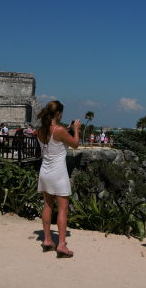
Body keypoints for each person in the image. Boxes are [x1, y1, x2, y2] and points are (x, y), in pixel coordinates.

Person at [36, 100, 80, 258]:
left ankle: (47, 240)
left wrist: (66, 130)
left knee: (47, 205)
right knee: (62, 209)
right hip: (58, 173)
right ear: (58, 113)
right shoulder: (60, 130)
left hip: (45, 172)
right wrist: (76, 130)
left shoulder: (40, 130)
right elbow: (75, 144)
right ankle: (61, 245)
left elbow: (54, 139)